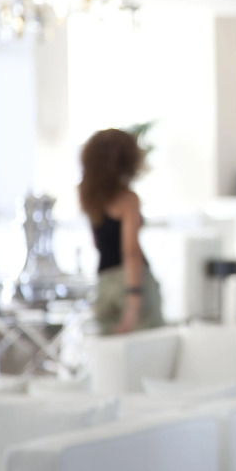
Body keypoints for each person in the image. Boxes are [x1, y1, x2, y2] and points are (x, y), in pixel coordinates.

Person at [78, 128, 163, 335]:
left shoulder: (89, 199)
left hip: (104, 282)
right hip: (132, 281)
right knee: (147, 346)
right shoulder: (128, 199)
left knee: (111, 348)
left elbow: (98, 244)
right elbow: (130, 251)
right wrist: (133, 302)